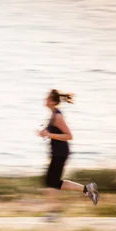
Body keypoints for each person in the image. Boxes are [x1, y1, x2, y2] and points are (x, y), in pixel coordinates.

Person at [38, 89, 99, 222]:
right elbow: (54, 133)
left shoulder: (57, 116)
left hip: (60, 153)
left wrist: (49, 134)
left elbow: (69, 136)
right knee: (55, 183)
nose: (45, 100)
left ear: (53, 101)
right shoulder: (53, 115)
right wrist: (45, 133)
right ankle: (88, 189)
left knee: (50, 183)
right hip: (58, 153)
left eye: (48, 98)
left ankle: (53, 213)